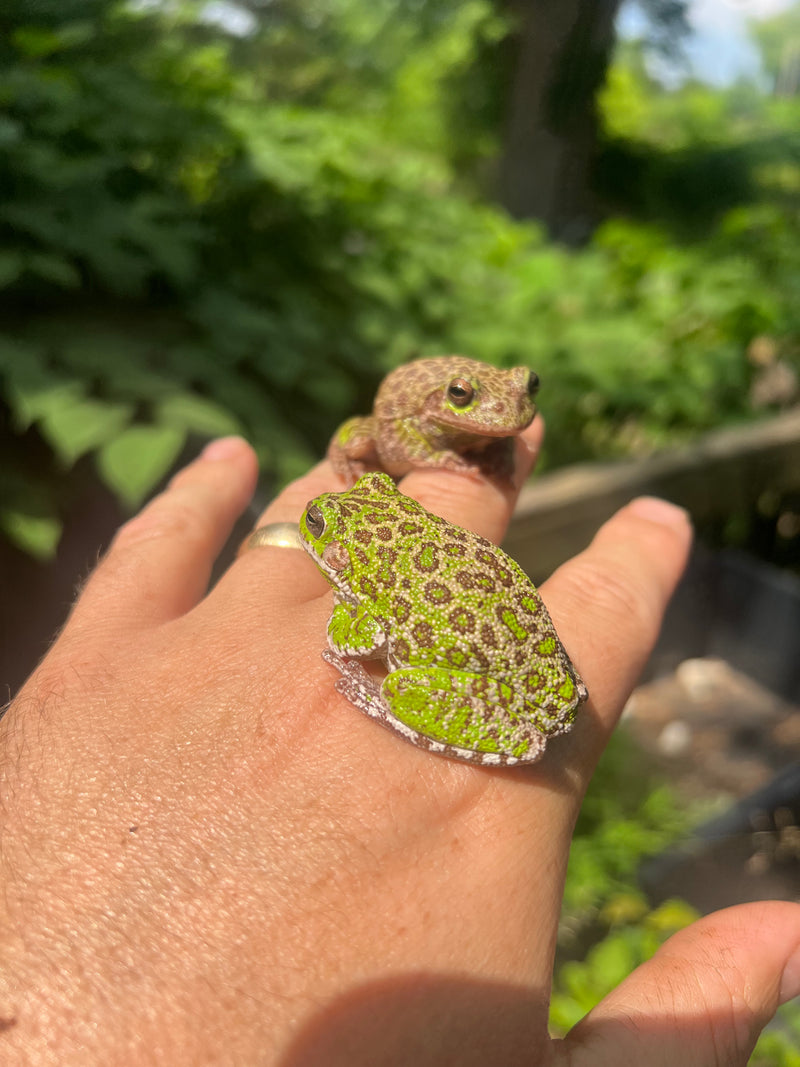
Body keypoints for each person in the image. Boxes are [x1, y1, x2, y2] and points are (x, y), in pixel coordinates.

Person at [1, 425, 797, 1066]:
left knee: (394, 680)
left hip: (492, 690)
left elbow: (357, 638)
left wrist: (360, 674)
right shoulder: (409, 538)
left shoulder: (358, 575)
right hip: (535, 664)